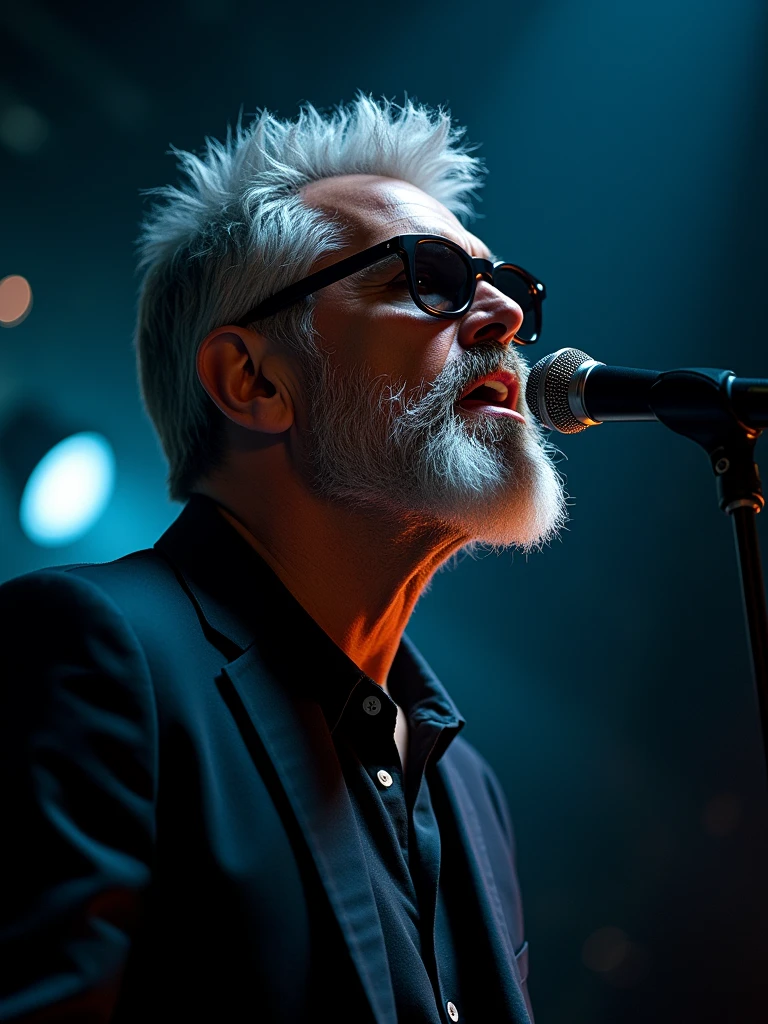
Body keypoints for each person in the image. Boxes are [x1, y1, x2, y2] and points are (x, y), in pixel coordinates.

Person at [0, 94, 569, 1023]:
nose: (504, 312)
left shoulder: (469, 788)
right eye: (430, 276)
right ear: (254, 380)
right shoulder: (90, 654)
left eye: (504, 284)